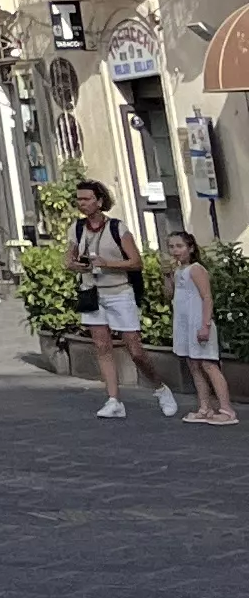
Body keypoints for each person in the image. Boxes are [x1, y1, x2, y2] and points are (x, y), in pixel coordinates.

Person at [71, 180, 179, 419]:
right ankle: (113, 399)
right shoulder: (77, 228)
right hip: (92, 292)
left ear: (99, 201)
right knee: (101, 345)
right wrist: (75, 265)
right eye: (79, 199)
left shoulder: (117, 228)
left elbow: (136, 262)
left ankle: (160, 388)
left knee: (135, 349)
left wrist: (106, 263)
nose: (82, 203)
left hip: (118, 291)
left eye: (87, 199)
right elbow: (68, 260)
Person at [165, 226, 238, 427]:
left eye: (179, 246)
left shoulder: (196, 269)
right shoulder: (178, 270)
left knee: (208, 364)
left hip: (198, 321)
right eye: (171, 247)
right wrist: (167, 277)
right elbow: (170, 295)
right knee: (193, 364)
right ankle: (204, 406)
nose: (175, 250)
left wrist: (205, 325)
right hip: (184, 323)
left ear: (190, 248)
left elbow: (207, 297)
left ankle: (226, 409)